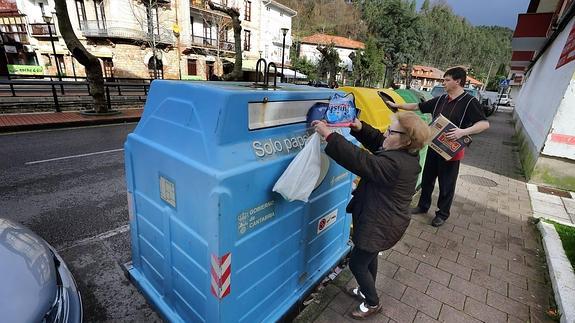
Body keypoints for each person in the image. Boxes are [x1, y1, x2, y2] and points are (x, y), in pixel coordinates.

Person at [313, 112, 431, 320]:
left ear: (405, 140)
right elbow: (380, 141)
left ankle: (372, 302)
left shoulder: (394, 164)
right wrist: (360, 127)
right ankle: (365, 290)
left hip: (380, 224)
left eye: (390, 130)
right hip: (382, 221)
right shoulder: (405, 154)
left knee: (357, 263)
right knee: (369, 256)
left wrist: (329, 136)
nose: (385, 133)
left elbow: (360, 160)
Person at [386, 66, 490, 227]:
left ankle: (442, 214)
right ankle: (422, 206)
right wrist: (396, 105)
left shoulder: (470, 102)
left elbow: (484, 124)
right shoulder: (441, 99)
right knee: (427, 178)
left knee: (446, 184)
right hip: (434, 146)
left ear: (458, 81)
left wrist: (462, 132)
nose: (444, 83)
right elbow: (418, 107)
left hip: (451, 152)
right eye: (444, 80)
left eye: (447, 80)